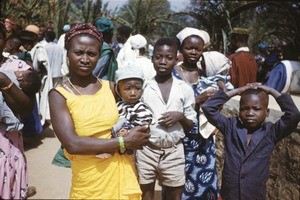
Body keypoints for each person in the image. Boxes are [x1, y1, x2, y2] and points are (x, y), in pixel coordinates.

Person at [49, 23, 150, 199]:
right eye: (79, 52)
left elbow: (140, 119)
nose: (85, 59)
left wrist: (137, 132)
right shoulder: (59, 95)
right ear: (67, 54)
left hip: (123, 177)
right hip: (90, 183)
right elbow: (73, 144)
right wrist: (123, 142)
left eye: (92, 54)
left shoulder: (111, 88)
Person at [202, 83, 300, 199]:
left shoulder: (271, 132)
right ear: (239, 111)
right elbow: (208, 108)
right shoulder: (231, 126)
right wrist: (237, 90)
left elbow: (293, 115)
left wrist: (272, 91)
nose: (250, 113)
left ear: (267, 112)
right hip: (230, 194)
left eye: (256, 109)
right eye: (244, 108)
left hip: (254, 195)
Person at [136, 38, 196, 200]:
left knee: (174, 194)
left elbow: (190, 125)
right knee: (145, 194)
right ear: (152, 59)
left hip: (174, 151)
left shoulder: (184, 89)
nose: (163, 61)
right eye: (158, 57)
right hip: (146, 149)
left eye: (169, 58)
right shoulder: (144, 87)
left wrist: (180, 116)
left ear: (176, 60)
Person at [172, 27, 221, 199]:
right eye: (189, 48)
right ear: (181, 49)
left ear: (203, 51)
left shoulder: (207, 75)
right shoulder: (172, 75)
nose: (193, 52)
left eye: (198, 49)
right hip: (180, 138)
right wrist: (196, 101)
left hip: (204, 139)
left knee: (206, 185)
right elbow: (169, 107)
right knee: (178, 183)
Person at [0, 22, 37, 199]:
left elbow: (28, 108)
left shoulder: (17, 67)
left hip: (7, 149)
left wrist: (5, 82)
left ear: (4, 41)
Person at [96, 65, 153, 159]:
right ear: (119, 90)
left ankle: (111, 151)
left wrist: (128, 130)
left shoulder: (141, 108)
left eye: (137, 88)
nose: (133, 93)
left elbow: (144, 125)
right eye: (127, 89)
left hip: (131, 136)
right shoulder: (119, 105)